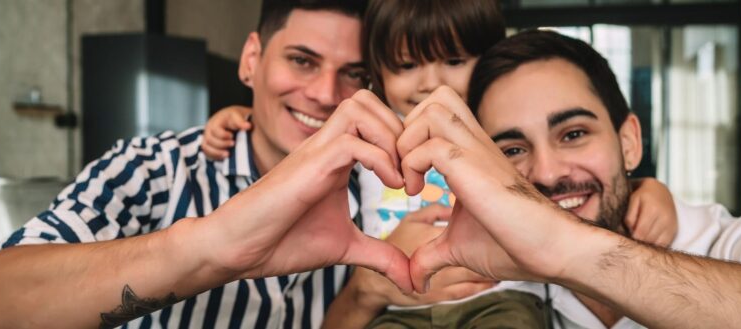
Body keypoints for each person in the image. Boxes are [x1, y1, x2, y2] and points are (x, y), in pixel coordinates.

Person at [203, 1, 679, 328]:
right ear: (379, 74)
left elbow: (563, 182)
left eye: (453, 59)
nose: (430, 82)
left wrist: (645, 188)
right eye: (407, 65)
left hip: (500, 298)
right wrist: (239, 114)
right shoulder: (373, 126)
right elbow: (307, 140)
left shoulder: (494, 133)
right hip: (398, 308)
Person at [0, 1, 413, 328]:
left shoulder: (379, 192)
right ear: (251, 60)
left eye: (353, 74)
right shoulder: (153, 169)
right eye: (302, 60)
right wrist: (208, 246)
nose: (324, 93)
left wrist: (362, 295)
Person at [400, 30, 741, 328]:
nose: (548, 173)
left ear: (629, 143)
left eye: (573, 134)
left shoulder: (727, 243)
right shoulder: (492, 288)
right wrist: (365, 291)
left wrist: (560, 248)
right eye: (512, 150)